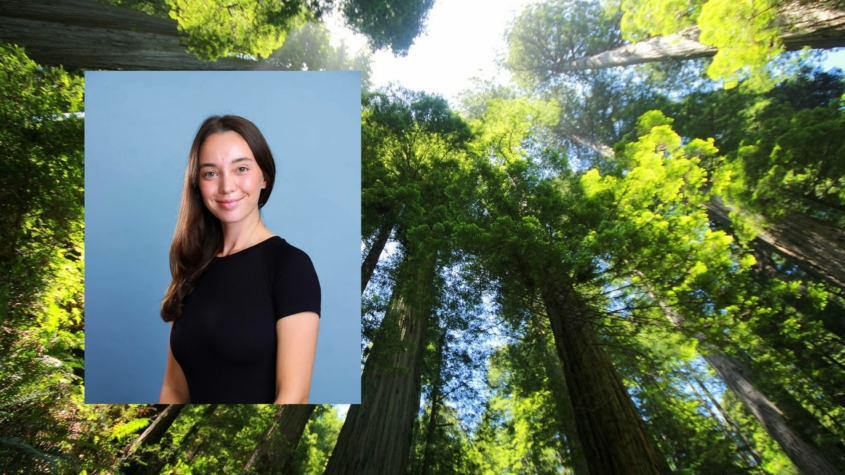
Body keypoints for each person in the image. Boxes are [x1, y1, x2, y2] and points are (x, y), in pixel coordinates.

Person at [158, 115, 320, 404]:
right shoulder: (190, 269)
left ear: (264, 177)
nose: (226, 186)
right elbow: (174, 389)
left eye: (241, 168)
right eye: (210, 173)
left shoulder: (291, 267)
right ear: (197, 184)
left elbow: (294, 396)